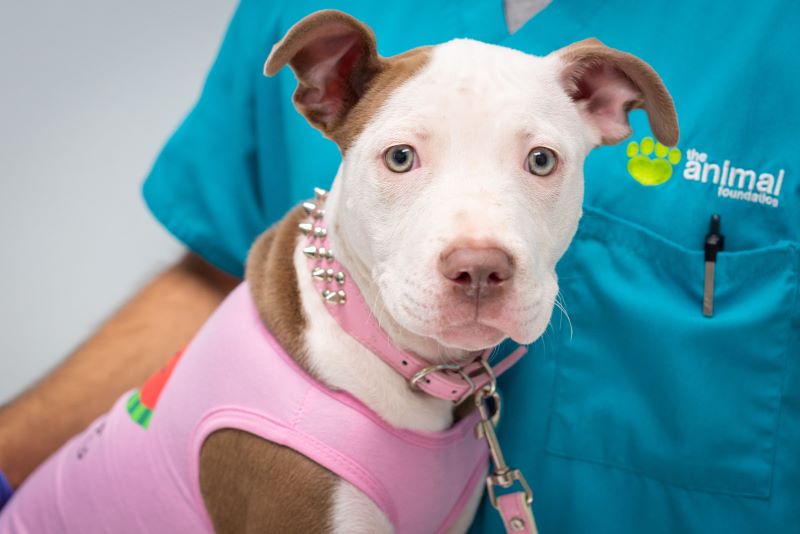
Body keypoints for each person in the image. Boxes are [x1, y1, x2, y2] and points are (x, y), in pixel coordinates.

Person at [1, 0, 797, 531]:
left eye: (542, 162)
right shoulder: (295, 421)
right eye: (404, 157)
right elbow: (207, 273)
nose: (477, 252)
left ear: (607, 109)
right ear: (326, 92)